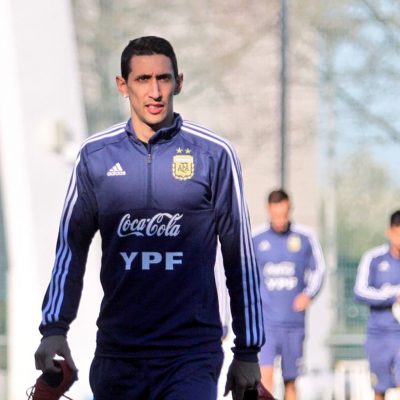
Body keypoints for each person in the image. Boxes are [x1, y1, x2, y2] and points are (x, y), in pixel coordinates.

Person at [33, 36, 264, 400]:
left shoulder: (215, 155)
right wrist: (54, 328)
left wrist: (248, 350)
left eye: (163, 78)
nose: (155, 92)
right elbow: (71, 249)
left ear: (179, 82)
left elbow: (240, 258)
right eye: (143, 79)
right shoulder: (95, 157)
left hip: (191, 356)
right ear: (122, 85)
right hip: (118, 355)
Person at [252, 189, 325, 400]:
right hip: (266, 322)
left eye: (283, 214)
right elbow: (244, 274)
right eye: (276, 215)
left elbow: (319, 269)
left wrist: (308, 294)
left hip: (294, 323)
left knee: (291, 381)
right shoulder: (256, 238)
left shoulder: (305, 237)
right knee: (265, 378)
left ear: (289, 209)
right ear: (268, 210)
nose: (280, 220)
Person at [354, 210, 400, 400]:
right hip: (378, 334)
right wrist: (393, 295)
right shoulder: (373, 258)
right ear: (390, 232)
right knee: (379, 389)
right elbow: (360, 291)